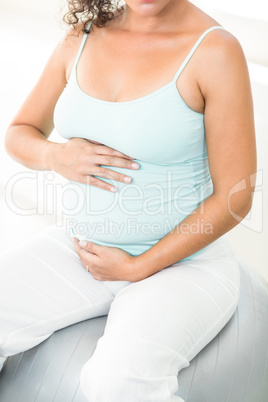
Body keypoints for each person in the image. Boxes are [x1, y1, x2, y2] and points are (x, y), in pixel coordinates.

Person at [1, 0, 257, 400]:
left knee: (116, 384)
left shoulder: (215, 50)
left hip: (182, 268)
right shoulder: (82, 36)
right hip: (79, 250)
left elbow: (235, 197)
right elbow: (20, 131)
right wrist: (56, 155)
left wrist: (138, 267)